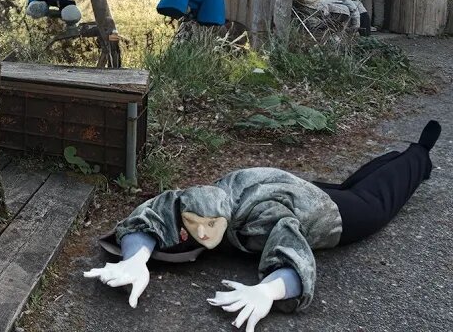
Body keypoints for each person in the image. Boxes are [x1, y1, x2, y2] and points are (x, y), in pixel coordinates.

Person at [86, 121, 440, 332]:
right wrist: (135, 259)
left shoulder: (263, 218)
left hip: (325, 212)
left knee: (374, 201)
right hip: (283, 184)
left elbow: (292, 253)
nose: (202, 234)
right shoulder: (191, 201)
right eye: (194, 226)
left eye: (212, 225)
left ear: (227, 217)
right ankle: (395, 157)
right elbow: (150, 217)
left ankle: (417, 155)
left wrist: (268, 291)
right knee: (351, 185)